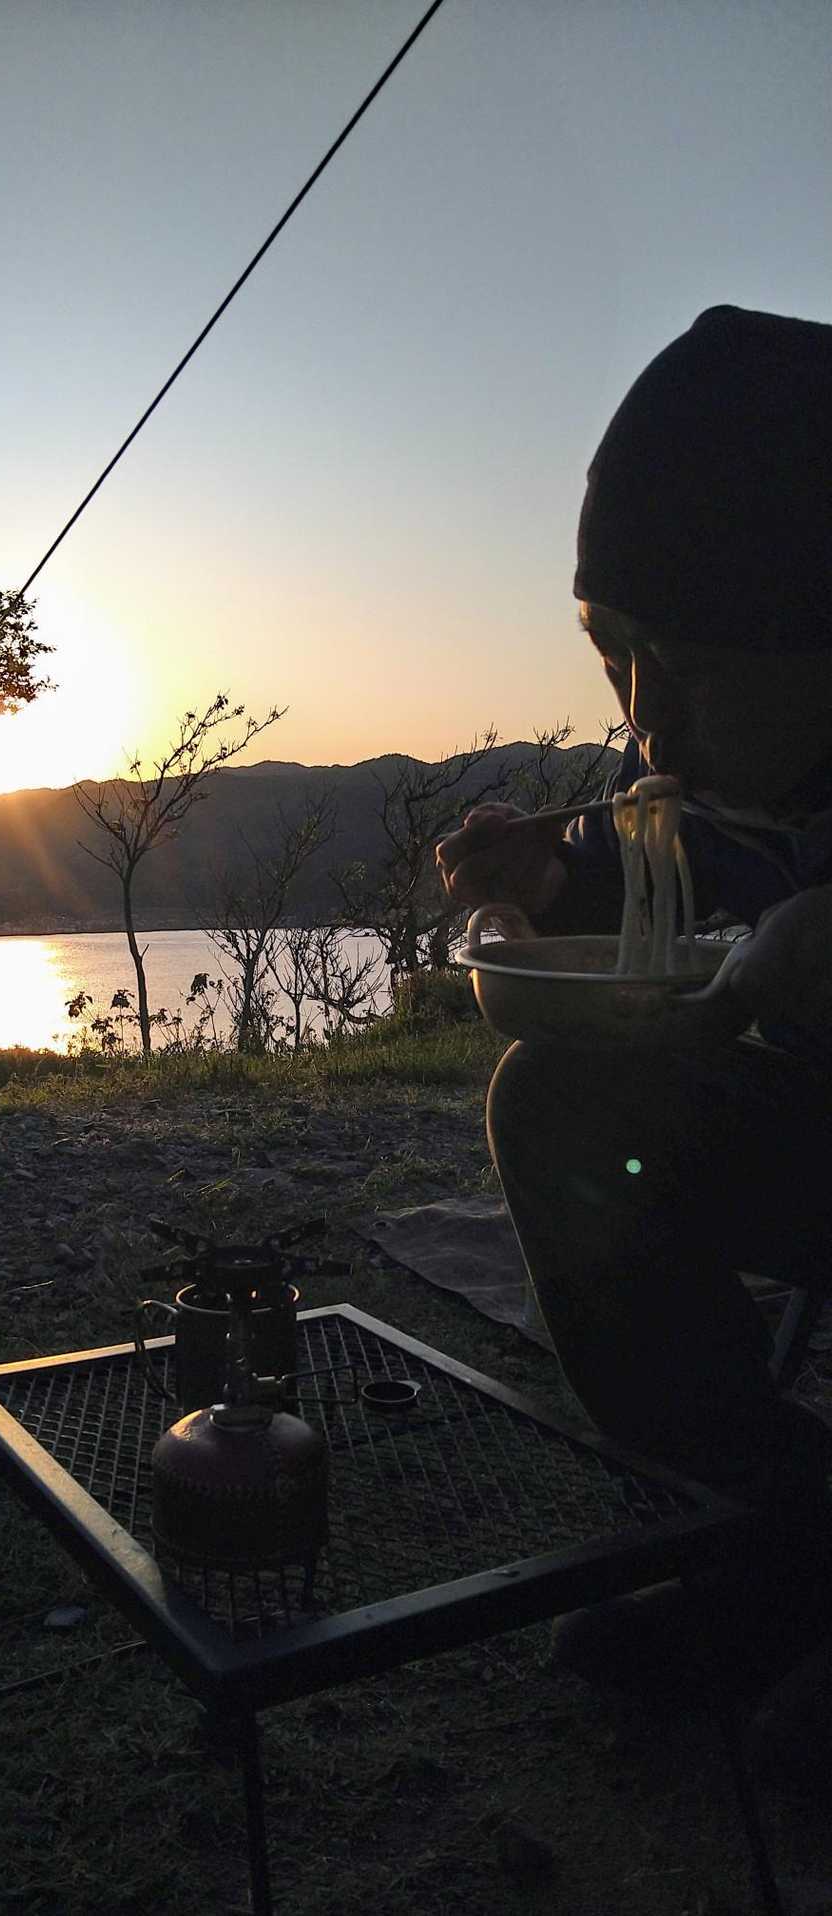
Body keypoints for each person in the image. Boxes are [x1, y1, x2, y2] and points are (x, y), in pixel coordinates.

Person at [437, 306, 832, 1700]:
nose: (648, 715)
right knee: (560, 1101)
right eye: (614, 651)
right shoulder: (741, 772)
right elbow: (680, 858)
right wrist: (552, 879)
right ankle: (774, 1544)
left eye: (697, 663)